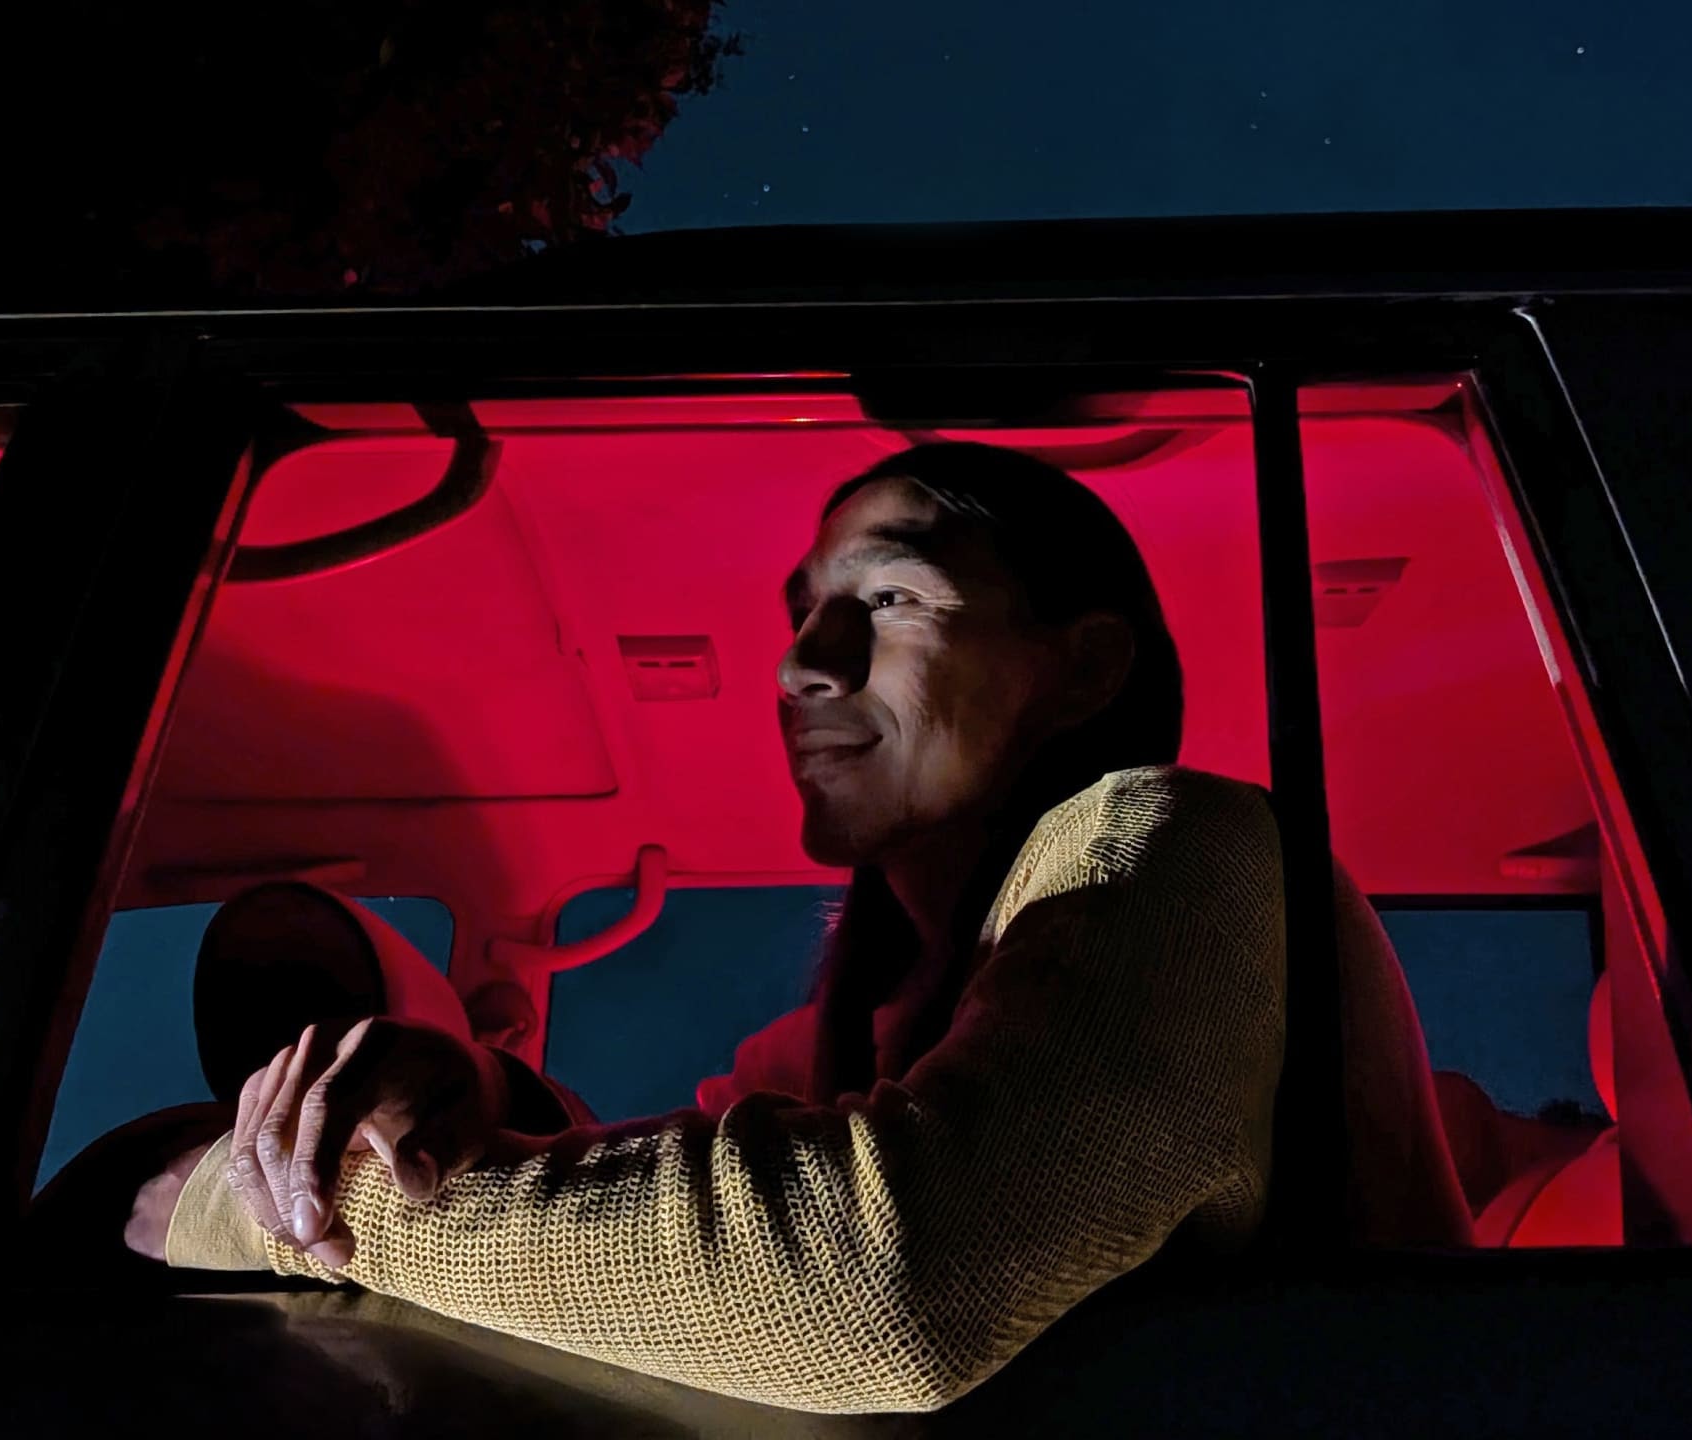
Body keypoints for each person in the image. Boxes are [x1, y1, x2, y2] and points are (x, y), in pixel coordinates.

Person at [127, 442, 1467, 1412]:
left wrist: (258, 1209)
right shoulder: (863, 1022)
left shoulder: (1189, 852)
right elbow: (655, 1187)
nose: (801, 663)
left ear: (1082, 668)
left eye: (889, 600)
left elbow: (890, 1277)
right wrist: (473, 1095)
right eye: (803, 613)